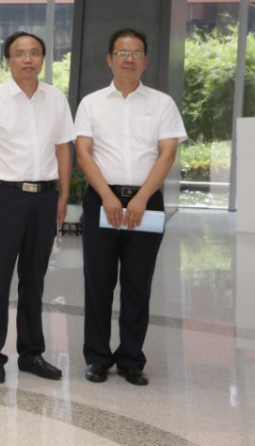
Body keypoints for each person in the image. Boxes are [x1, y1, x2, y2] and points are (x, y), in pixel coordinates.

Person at [74, 28, 186, 386]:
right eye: (122, 52)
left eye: (136, 53)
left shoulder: (162, 104)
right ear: (110, 59)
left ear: (145, 61)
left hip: (146, 200)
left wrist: (140, 198)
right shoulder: (91, 103)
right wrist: (107, 196)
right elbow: (83, 153)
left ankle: (131, 359)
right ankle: (97, 358)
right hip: (101, 199)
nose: (129, 59)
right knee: (98, 282)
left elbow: (167, 154)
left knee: (138, 283)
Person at [0, 31, 74, 384]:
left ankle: (31, 353)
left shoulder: (56, 99)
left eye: (35, 53)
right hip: (5, 197)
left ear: (43, 58)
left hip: (44, 198)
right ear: (8, 60)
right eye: (20, 53)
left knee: (34, 278)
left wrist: (62, 197)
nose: (28, 59)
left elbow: (63, 149)